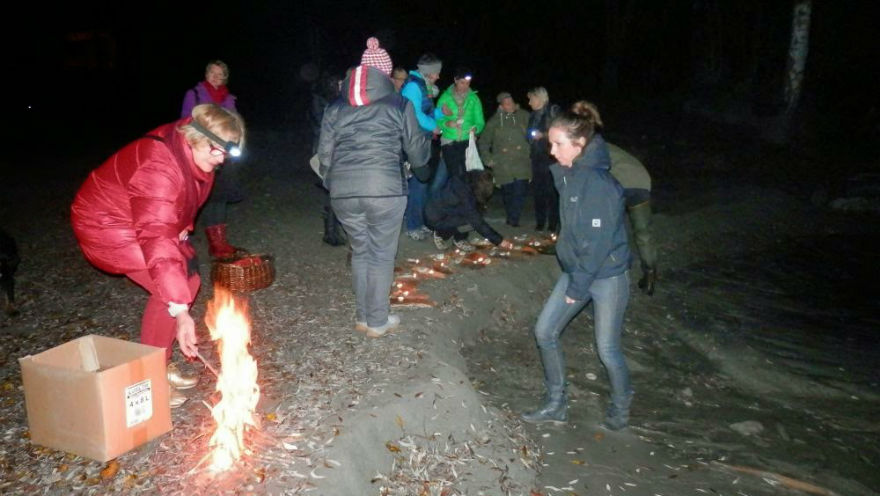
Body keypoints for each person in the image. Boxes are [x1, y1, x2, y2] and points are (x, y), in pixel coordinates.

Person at [72, 104, 246, 408]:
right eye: (217, 150)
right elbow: (156, 235)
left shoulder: (191, 152)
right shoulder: (159, 167)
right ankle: (150, 378)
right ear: (197, 138)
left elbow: (179, 204)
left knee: (188, 280)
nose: (221, 160)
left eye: (227, 153)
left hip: (136, 218)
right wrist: (180, 312)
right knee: (169, 292)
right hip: (105, 225)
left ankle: (159, 363)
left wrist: (181, 231)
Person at [521, 101, 633, 431]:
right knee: (545, 331)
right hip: (577, 271)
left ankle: (621, 405)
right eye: (551, 144)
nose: (552, 151)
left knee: (607, 349)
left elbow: (597, 245)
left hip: (607, 276)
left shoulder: (599, 185)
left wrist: (577, 287)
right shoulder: (570, 175)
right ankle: (556, 404)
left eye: (558, 144)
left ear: (580, 144)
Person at [318, 56, 430, 338]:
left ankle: (363, 316)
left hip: (344, 192)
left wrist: (332, 182)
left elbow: (324, 154)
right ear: (385, 73)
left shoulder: (335, 107)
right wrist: (423, 164)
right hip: (385, 189)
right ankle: (377, 321)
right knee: (380, 255)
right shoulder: (399, 103)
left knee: (361, 251)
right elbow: (416, 150)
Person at [180, 60, 246, 259]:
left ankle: (219, 242)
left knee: (221, 196)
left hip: (224, 155)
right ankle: (206, 242)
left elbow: (235, 127)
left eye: (220, 74)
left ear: (225, 77)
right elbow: (185, 123)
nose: (216, 77)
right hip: (203, 153)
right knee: (206, 196)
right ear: (206, 74)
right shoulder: (195, 94)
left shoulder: (229, 99)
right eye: (212, 72)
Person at [400, 53, 444, 241]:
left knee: (422, 183)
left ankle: (419, 221)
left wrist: (441, 113)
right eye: (436, 72)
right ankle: (412, 225)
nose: (438, 76)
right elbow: (414, 114)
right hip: (412, 142)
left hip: (421, 140)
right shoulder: (412, 87)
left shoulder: (422, 86)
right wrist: (433, 126)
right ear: (427, 72)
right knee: (418, 183)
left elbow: (426, 111)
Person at [607, 143, 657, 295]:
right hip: (641, 181)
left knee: (611, 229)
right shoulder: (613, 149)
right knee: (643, 233)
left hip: (619, 185)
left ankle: (615, 274)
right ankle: (650, 276)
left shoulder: (588, 147)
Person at [479, 92, 531, 227]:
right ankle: (511, 217)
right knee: (508, 192)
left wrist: (529, 149)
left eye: (511, 102)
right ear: (501, 106)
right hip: (503, 163)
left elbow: (533, 135)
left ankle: (514, 220)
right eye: (507, 104)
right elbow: (484, 141)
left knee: (520, 191)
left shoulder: (524, 116)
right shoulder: (495, 121)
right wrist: (488, 158)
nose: (510, 105)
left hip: (521, 161)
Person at [426, 172, 513, 252]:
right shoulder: (464, 197)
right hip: (436, 219)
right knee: (471, 222)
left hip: (440, 210)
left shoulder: (468, 179)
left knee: (476, 214)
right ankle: (441, 234)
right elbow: (478, 222)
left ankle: (459, 238)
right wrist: (500, 241)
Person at [309, 72, 345, 246]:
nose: (341, 85)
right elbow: (320, 124)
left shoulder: (339, 102)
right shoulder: (323, 102)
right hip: (327, 148)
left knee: (336, 191)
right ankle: (331, 232)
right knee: (333, 191)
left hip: (334, 148)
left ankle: (333, 230)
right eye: (338, 83)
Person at [436, 67, 485, 182]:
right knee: (454, 176)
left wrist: (476, 128)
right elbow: (437, 119)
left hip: (467, 142)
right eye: (462, 82)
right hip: (449, 142)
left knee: (469, 177)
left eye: (468, 83)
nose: (465, 86)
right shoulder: (445, 98)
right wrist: (447, 123)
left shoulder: (474, 99)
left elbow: (480, 122)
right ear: (455, 80)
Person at [527, 87, 561, 232]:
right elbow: (528, 134)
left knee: (551, 191)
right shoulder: (533, 115)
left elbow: (561, 132)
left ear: (539, 98)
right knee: (538, 191)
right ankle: (540, 222)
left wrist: (544, 135)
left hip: (550, 157)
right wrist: (530, 137)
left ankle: (553, 223)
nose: (529, 102)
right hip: (536, 157)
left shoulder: (553, 111)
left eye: (531, 99)